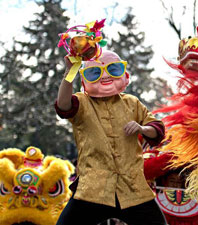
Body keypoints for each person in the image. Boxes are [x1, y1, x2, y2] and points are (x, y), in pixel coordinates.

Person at [55, 50, 167, 225]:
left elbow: (158, 129)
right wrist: (70, 73)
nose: (105, 76)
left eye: (113, 69)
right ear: (84, 80)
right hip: (92, 189)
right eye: (95, 72)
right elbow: (63, 106)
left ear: (125, 75)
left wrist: (142, 128)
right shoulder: (82, 102)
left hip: (133, 189)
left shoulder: (132, 103)